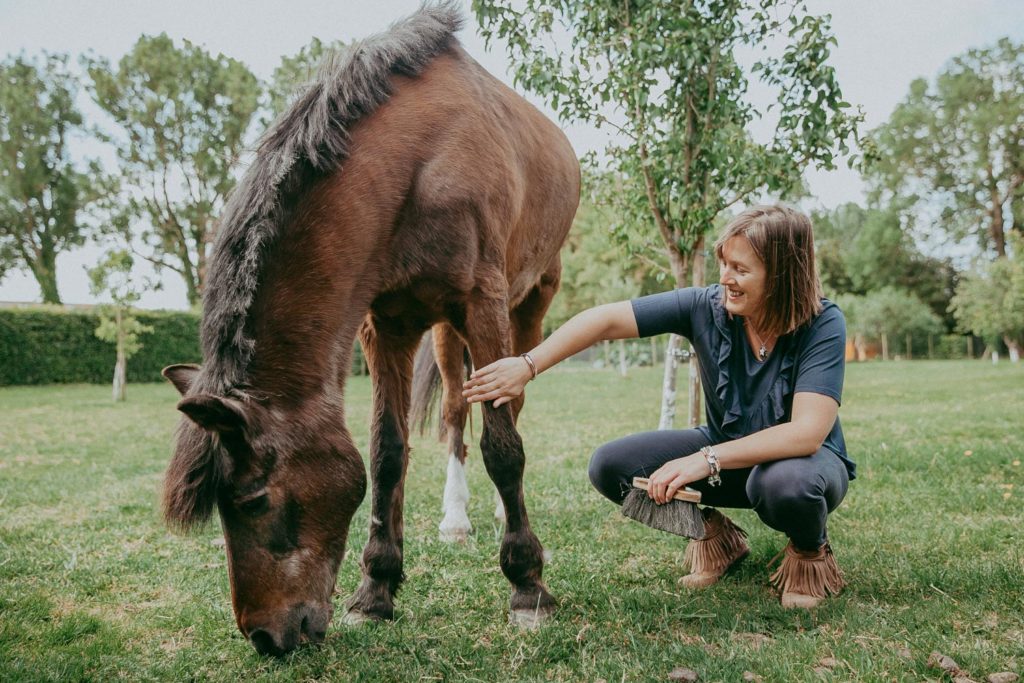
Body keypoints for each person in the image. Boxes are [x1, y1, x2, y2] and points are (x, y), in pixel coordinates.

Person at [462, 204, 853, 609]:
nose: (725, 279)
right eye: (723, 264)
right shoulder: (706, 306)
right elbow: (606, 320)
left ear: (782, 274)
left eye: (740, 269)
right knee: (612, 467)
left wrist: (707, 458)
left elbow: (807, 432)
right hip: (724, 455)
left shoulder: (822, 323)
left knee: (781, 485)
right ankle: (717, 539)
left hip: (804, 465)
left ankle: (810, 553)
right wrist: (528, 364)